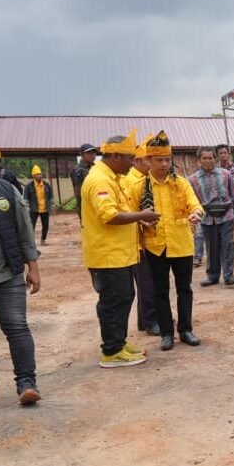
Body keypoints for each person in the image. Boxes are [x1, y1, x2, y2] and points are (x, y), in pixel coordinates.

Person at [81, 131, 161, 368]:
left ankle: (119, 342)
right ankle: (111, 351)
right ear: (115, 156)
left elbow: (120, 210)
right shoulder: (100, 180)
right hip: (108, 255)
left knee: (124, 297)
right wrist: (142, 215)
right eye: (128, 158)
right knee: (113, 301)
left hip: (120, 254)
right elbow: (109, 215)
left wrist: (139, 220)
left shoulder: (112, 176)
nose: (132, 163)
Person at [126, 132, 203, 351]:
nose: (164, 163)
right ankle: (167, 333)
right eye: (159, 159)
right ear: (148, 160)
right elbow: (132, 217)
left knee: (184, 289)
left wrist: (197, 214)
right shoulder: (139, 187)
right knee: (159, 291)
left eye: (167, 159)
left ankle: (186, 329)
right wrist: (142, 222)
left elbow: (195, 205)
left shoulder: (181, 183)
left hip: (181, 243)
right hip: (155, 245)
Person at [0, 170, 42, 405]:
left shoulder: (5, 190)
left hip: (8, 274)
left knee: (17, 327)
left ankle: (26, 384)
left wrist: (33, 267)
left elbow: (25, 231)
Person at [189, 146, 234, 287]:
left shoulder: (225, 174)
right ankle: (212, 276)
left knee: (228, 245)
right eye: (204, 158)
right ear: (199, 160)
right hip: (207, 217)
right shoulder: (192, 179)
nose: (208, 161)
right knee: (211, 248)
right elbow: (191, 200)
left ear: (215, 158)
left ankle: (229, 275)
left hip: (227, 216)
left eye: (211, 158)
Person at [123, 141, 160, 335]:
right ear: (137, 160)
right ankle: (151, 320)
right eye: (149, 159)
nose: (152, 162)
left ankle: (144, 320)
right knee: (147, 281)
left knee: (148, 280)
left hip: (147, 238)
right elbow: (128, 211)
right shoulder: (131, 181)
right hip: (137, 240)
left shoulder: (146, 178)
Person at [26, 165, 53, 245]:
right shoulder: (29, 186)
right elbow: (26, 197)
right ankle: (31, 242)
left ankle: (43, 240)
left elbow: (50, 196)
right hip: (34, 209)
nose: (39, 176)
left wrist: (52, 204)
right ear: (33, 176)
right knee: (31, 226)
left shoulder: (46, 185)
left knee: (45, 226)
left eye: (40, 174)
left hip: (45, 208)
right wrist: (26, 206)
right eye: (37, 174)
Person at [71, 143, 97, 224]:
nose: (92, 155)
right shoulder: (77, 170)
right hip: (85, 205)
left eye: (93, 153)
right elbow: (78, 192)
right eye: (89, 153)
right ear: (82, 155)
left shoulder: (96, 168)